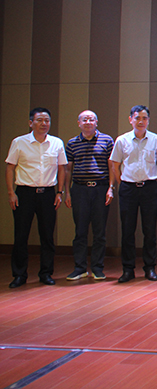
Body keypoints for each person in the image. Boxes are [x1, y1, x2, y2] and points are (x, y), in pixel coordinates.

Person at [5, 108, 67, 288]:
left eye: (47, 120)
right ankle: (19, 274)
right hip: (24, 193)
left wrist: (59, 192)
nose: (44, 124)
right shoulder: (19, 142)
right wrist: (11, 192)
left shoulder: (56, 143)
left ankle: (46, 273)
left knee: (47, 235)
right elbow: (10, 167)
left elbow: (62, 168)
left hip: (48, 194)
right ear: (30, 123)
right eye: (39, 120)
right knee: (21, 235)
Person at [110, 105, 157, 283]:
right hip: (128, 189)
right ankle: (128, 269)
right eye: (137, 118)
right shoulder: (122, 140)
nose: (141, 121)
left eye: (144, 118)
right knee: (128, 230)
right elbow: (115, 165)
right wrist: (124, 181)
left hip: (149, 188)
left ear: (148, 120)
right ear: (131, 120)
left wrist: (147, 178)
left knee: (149, 230)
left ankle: (150, 268)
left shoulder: (156, 140)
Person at [64, 110, 115, 281]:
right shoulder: (72, 143)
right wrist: (67, 191)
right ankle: (79, 268)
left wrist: (111, 188)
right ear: (79, 123)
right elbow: (68, 169)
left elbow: (111, 166)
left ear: (96, 122)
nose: (88, 122)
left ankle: (97, 268)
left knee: (99, 232)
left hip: (100, 188)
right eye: (84, 120)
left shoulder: (107, 140)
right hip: (79, 189)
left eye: (91, 119)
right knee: (80, 230)